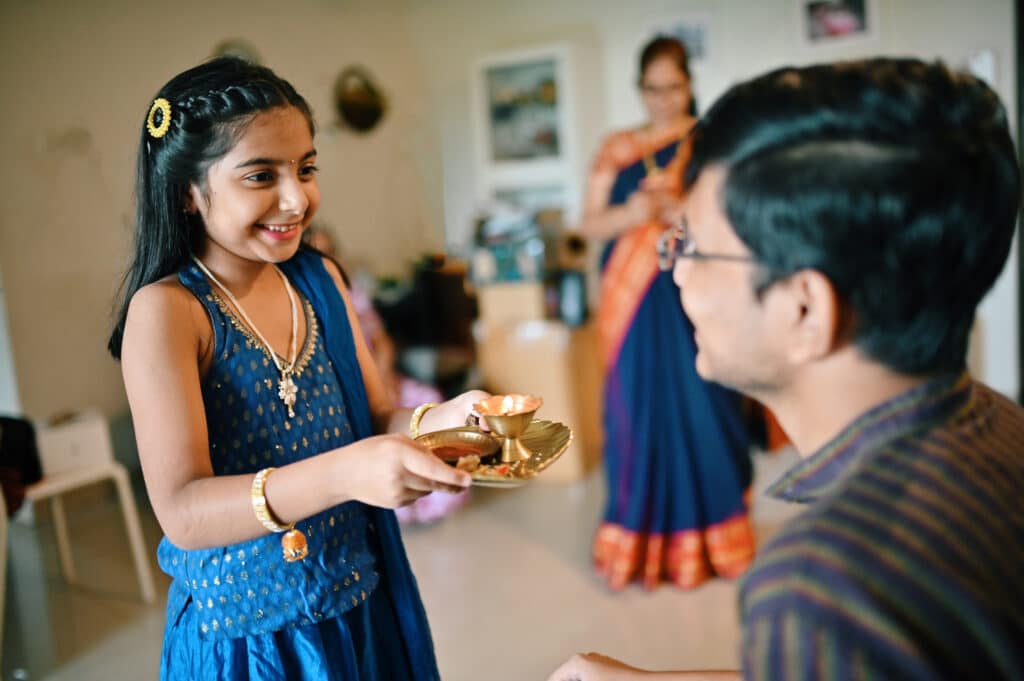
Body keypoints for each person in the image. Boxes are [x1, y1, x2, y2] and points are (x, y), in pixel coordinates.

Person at [548, 57, 1024, 680]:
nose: (676, 269)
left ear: (805, 308)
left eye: (691, 244)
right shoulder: (999, 422)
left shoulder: (818, 587)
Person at [108, 57, 485, 680]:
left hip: (358, 603)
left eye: (306, 168)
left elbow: (378, 413)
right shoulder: (170, 313)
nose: (297, 197)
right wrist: (347, 473)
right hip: (250, 640)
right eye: (261, 176)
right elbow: (184, 511)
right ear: (186, 191)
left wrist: (442, 420)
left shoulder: (317, 279)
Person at [580, 36, 754, 591]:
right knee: (636, 415)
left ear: (689, 85)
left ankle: (716, 543)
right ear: (639, 89)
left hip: (693, 289)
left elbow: (732, 215)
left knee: (707, 401)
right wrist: (633, 211)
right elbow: (588, 224)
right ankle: (641, 548)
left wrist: (679, 208)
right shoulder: (616, 148)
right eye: (651, 89)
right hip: (630, 302)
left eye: (672, 87)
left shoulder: (709, 142)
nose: (661, 99)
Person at [306, 226, 470, 524]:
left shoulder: (351, 290)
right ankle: (396, 507)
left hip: (380, 377)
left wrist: (384, 376)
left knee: (428, 400)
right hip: (345, 388)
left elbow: (381, 341)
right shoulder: (306, 301)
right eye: (317, 253)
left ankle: (433, 493)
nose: (325, 259)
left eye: (330, 251)